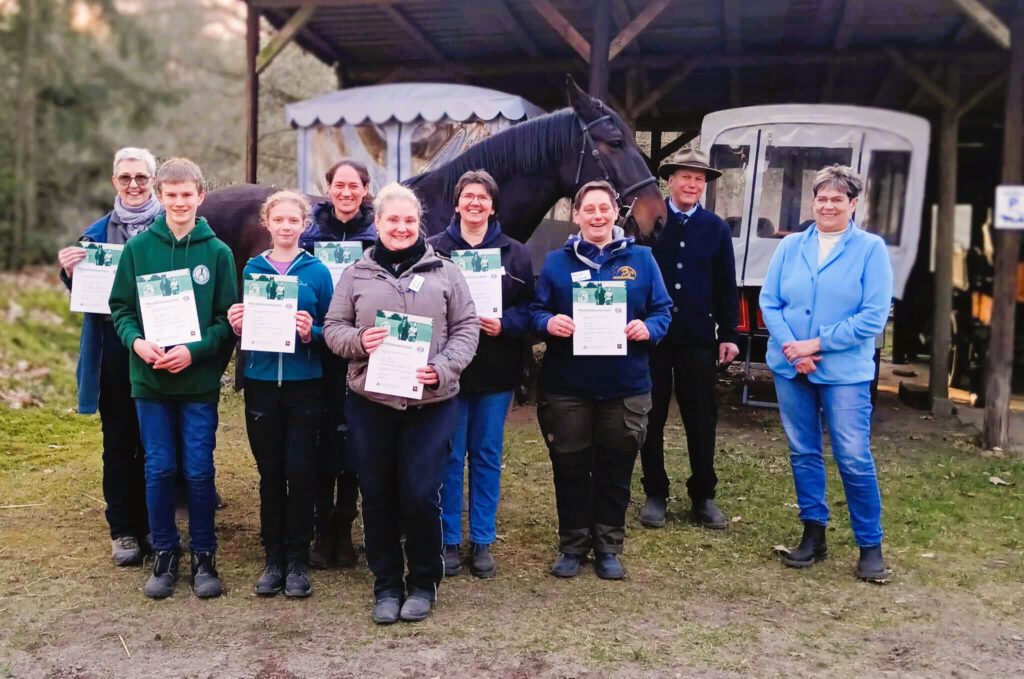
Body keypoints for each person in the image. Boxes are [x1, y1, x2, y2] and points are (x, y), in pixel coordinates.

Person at [323, 182, 478, 624]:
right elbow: (334, 327)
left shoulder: (446, 272)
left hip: (430, 403)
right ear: (378, 223)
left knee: (419, 494)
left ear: (419, 224)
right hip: (370, 403)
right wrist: (359, 340)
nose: (401, 227)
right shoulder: (356, 274)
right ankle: (387, 584)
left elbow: (467, 329)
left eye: (409, 220)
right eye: (392, 220)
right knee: (377, 495)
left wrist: (444, 368)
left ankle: (423, 582)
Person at [109, 158, 238, 599]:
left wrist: (194, 351)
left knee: (199, 471)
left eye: (188, 194)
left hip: (197, 383)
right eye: (172, 194)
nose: (180, 202)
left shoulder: (218, 253)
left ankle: (204, 555)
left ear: (200, 196)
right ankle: (165, 554)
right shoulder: (138, 249)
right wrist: (138, 344)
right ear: (159, 197)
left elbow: (226, 321)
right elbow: (121, 308)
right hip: (150, 383)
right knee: (160, 468)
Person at [530, 180, 672, 580]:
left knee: (615, 468)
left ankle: (608, 546)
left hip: (625, 385)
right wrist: (548, 321)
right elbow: (536, 311)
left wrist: (649, 328)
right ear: (576, 216)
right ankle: (572, 545)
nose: (596, 216)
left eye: (603, 209)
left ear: (616, 213)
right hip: (568, 386)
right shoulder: (558, 262)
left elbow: (663, 310)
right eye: (588, 209)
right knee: (570, 467)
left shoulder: (642, 260)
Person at [759, 165, 892, 582]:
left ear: (854, 204)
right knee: (803, 451)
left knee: (852, 456)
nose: (828, 205)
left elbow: (872, 317)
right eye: (822, 198)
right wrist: (792, 349)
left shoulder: (871, 249)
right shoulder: (791, 246)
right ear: (812, 202)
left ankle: (870, 545)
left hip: (844, 372)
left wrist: (815, 345)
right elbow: (770, 301)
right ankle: (813, 534)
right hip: (790, 365)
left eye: (838, 199)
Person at [58, 147, 163, 567]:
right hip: (116, 354)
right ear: (114, 182)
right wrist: (70, 272)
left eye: (141, 177)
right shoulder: (95, 235)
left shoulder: (172, 227)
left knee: (156, 441)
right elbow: (84, 296)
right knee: (118, 442)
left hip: (160, 348)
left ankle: (158, 525)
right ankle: (123, 530)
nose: (134, 185)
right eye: (126, 178)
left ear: (153, 180)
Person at [427, 170, 534, 579]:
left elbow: (531, 308)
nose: (475, 203)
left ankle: (483, 540)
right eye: (468, 196)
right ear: (457, 204)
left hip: (495, 370)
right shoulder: (435, 250)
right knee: (450, 456)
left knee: (486, 455)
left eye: (483, 198)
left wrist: (504, 323)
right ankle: (450, 539)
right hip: (451, 372)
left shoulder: (516, 253)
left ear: (493, 205)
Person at [227, 191, 334, 598]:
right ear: (267, 224)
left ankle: (298, 562)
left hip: (305, 384)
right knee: (270, 474)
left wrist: (313, 333)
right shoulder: (253, 268)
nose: (286, 226)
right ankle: (272, 559)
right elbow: (247, 324)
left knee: (301, 472)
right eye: (279, 220)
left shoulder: (317, 272)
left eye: (294, 220)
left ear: (304, 225)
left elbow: (332, 328)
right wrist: (238, 323)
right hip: (261, 384)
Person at [638, 147, 740, 530]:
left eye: (699, 179)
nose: (693, 184)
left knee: (701, 418)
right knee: (651, 415)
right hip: (655, 339)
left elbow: (725, 285)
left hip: (698, 338)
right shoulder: (650, 222)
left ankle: (703, 494)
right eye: (686, 176)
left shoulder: (715, 228)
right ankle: (655, 492)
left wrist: (729, 333)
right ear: (671, 180)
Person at [299, 159, 377, 570]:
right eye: (338, 185)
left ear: (366, 189)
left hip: (360, 354)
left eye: (354, 186)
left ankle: (344, 527)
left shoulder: (378, 238)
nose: (346, 193)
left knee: (351, 441)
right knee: (317, 440)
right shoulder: (308, 237)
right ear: (327, 188)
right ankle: (319, 527)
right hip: (315, 354)